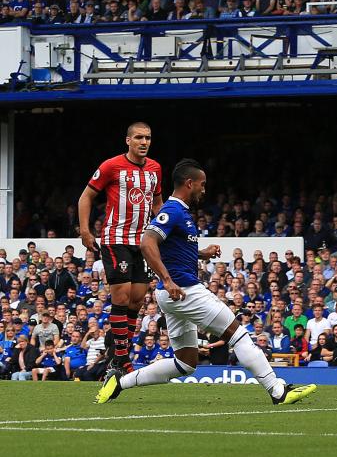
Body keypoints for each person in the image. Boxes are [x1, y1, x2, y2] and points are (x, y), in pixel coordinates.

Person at [96, 159, 317, 405]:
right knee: (238, 335)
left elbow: (172, 247)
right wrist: (167, 280)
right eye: (202, 184)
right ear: (189, 183)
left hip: (173, 295)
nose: (204, 189)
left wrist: (202, 253)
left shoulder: (181, 213)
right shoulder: (172, 210)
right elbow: (147, 243)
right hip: (184, 290)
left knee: (186, 363)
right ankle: (278, 390)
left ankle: (119, 382)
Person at [78, 121, 162, 374]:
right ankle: (122, 358)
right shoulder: (111, 166)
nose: (144, 142)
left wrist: (166, 229)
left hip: (143, 241)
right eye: (138, 138)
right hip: (116, 238)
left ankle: (115, 347)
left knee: (136, 302)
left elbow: (157, 203)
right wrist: (84, 230)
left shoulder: (155, 168)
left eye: (147, 137)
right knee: (121, 297)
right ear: (128, 141)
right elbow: (86, 196)